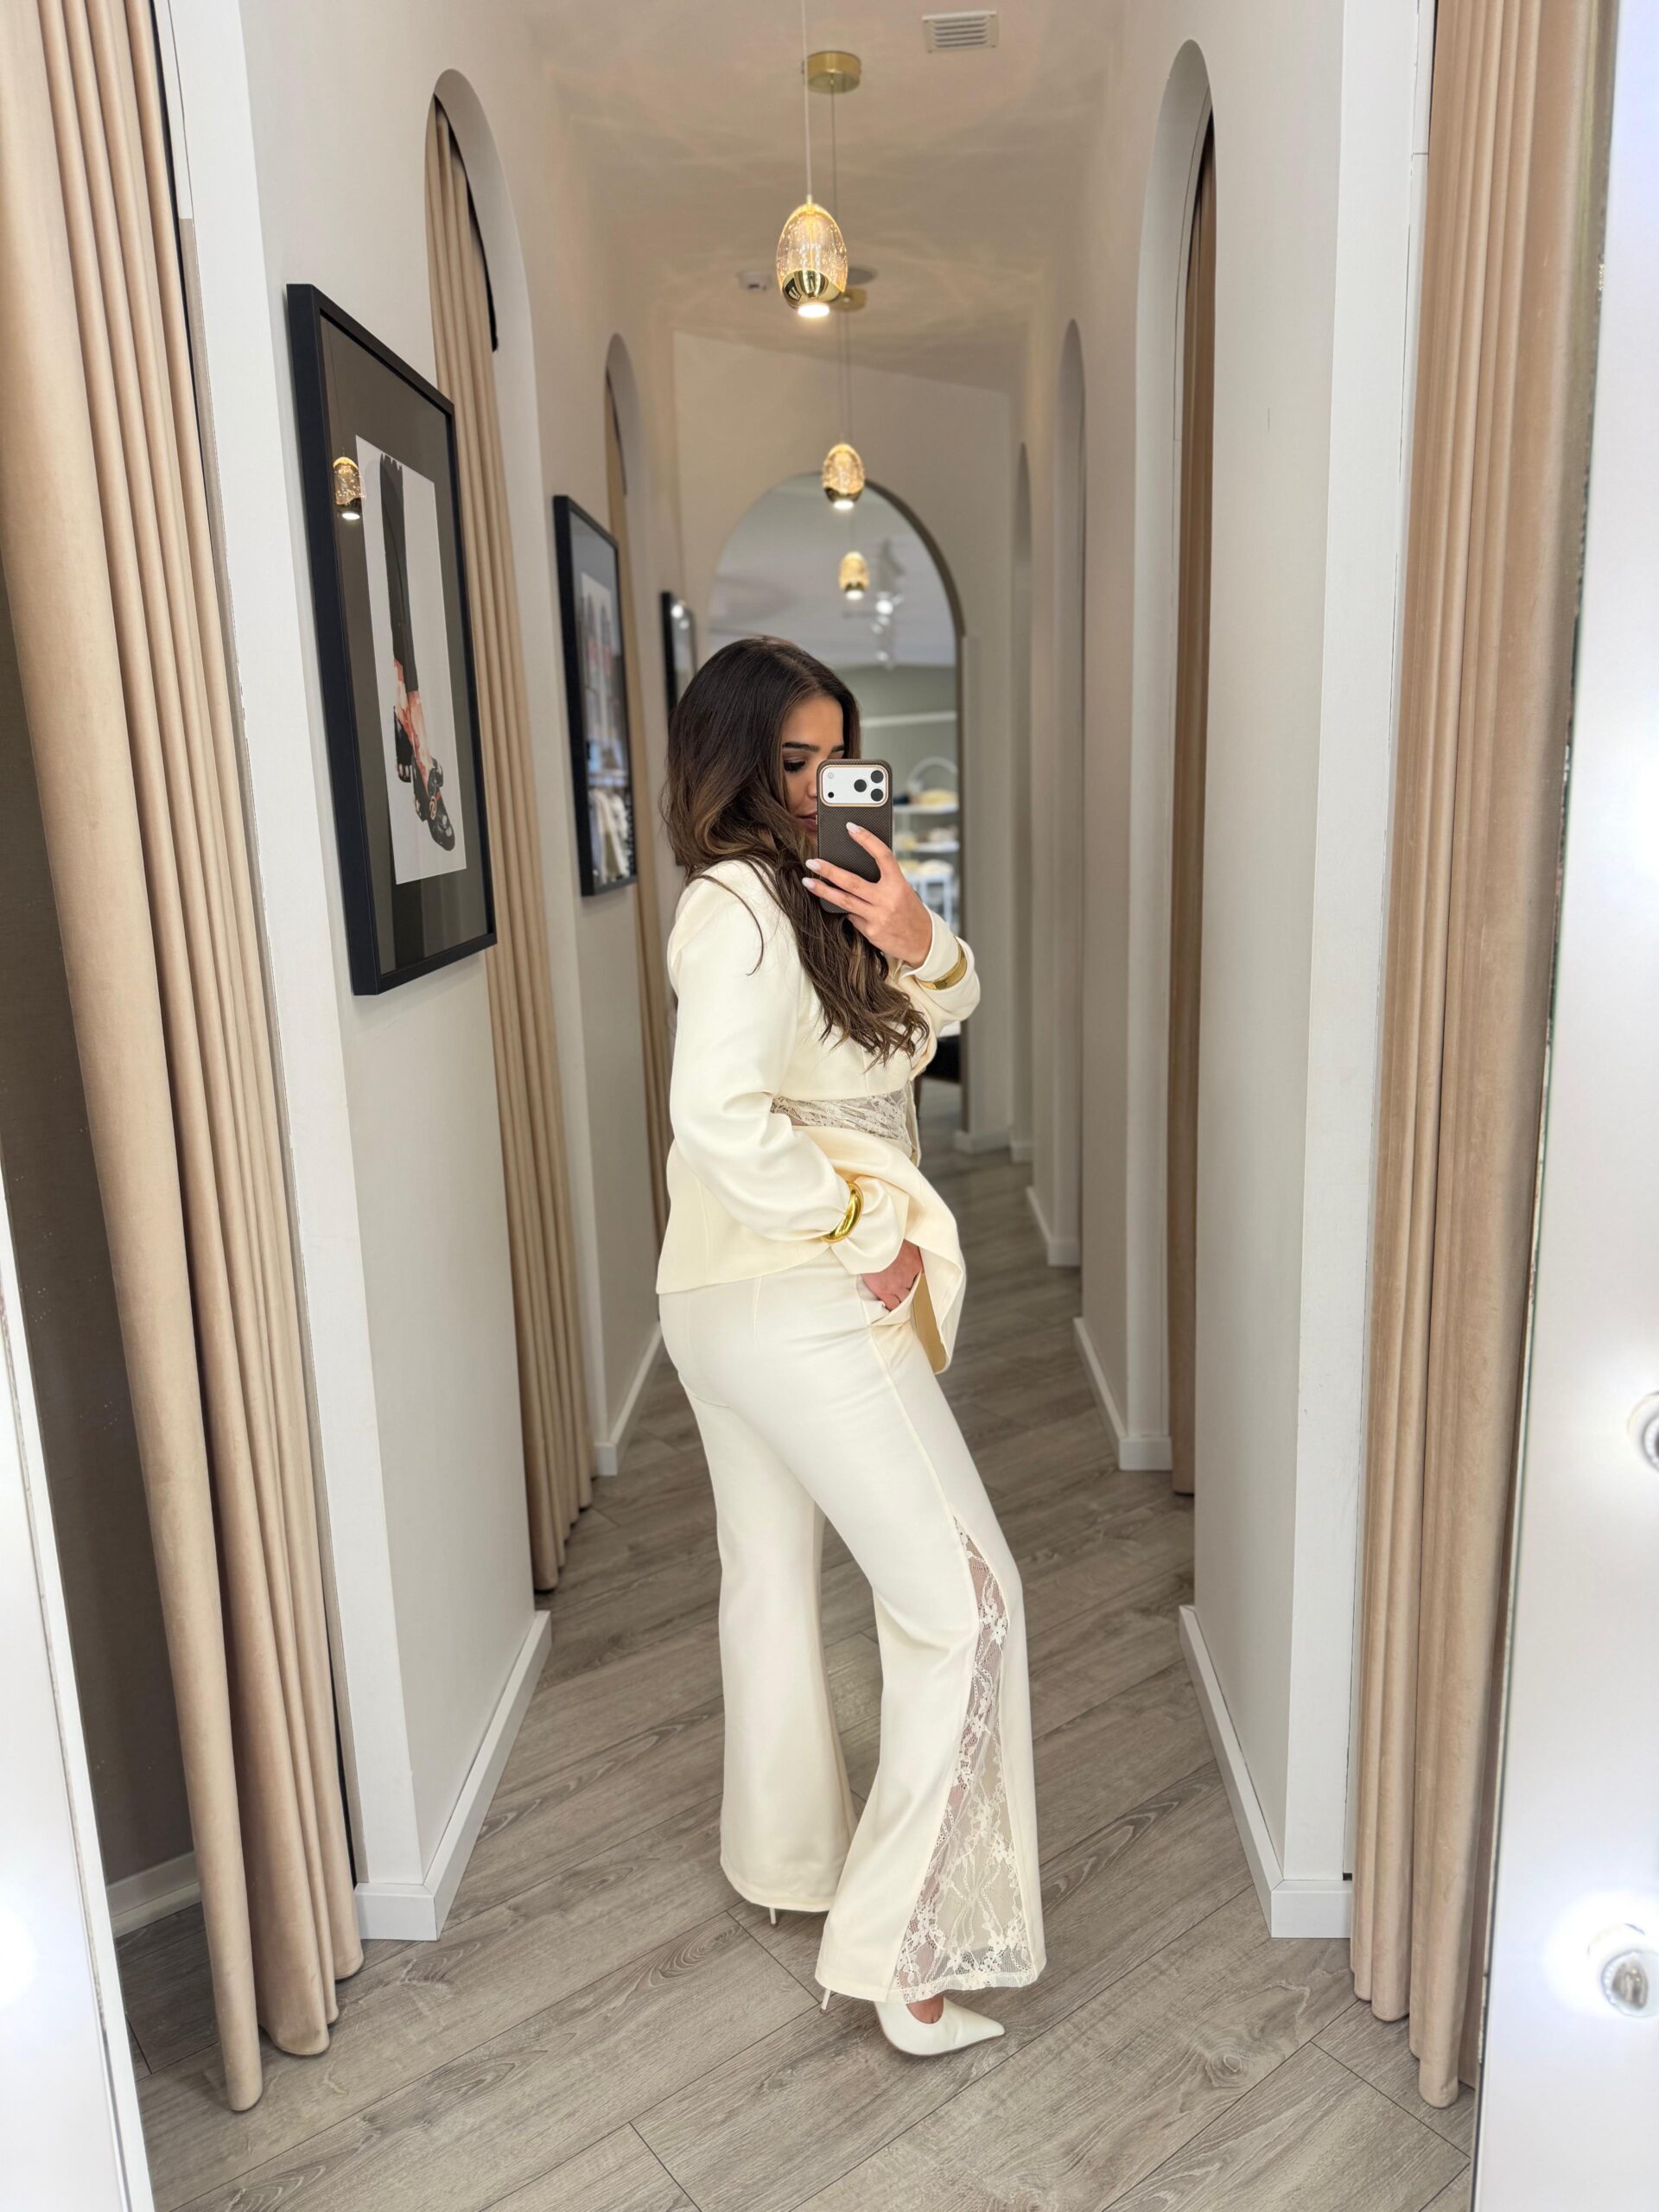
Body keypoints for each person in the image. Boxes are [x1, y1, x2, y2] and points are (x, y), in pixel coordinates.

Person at [657, 635, 1045, 2056]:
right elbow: (718, 1115)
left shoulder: (809, 899)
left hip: (728, 1297)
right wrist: (858, 1230)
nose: (821, 786)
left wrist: (914, 934)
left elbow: (943, 1015)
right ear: (735, 764)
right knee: (969, 1603)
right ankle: (900, 1949)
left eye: (836, 758)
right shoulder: (739, 906)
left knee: (768, 1579)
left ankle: (792, 1862)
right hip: (804, 1291)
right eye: (793, 761)